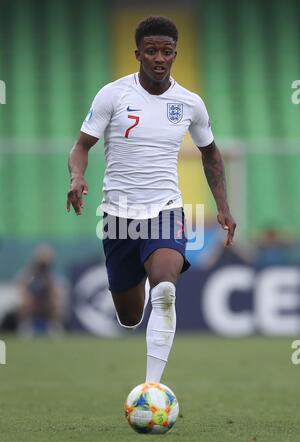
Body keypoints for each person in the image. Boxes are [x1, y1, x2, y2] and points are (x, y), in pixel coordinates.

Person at [67, 16, 236, 383]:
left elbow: (211, 153)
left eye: (167, 51)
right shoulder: (113, 94)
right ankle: (138, 280)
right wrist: (77, 177)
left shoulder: (189, 103)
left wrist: (222, 205)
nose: (159, 58)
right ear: (138, 54)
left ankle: (152, 387)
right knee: (130, 317)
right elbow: (81, 146)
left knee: (165, 289)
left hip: (166, 210)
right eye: (151, 51)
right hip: (116, 217)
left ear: (175, 54)